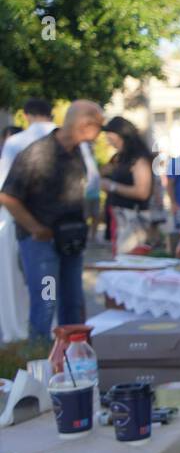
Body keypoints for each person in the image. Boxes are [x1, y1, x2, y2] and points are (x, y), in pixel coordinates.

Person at [0, 100, 103, 337]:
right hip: (42, 245)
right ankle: (39, 360)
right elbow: (8, 196)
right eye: (98, 127)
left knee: (73, 302)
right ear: (84, 125)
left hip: (70, 240)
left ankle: (73, 359)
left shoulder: (78, 151)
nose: (99, 135)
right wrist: (36, 228)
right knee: (46, 302)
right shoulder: (38, 153)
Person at [101, 117, 158, 253]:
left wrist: (112, 186)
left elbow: (142, 192)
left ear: (121, 134)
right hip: (119, 218)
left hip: (133, 220)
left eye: (110, 133)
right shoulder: (120, 158)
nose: (107, 137)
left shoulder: (138, 159)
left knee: (130, 260)